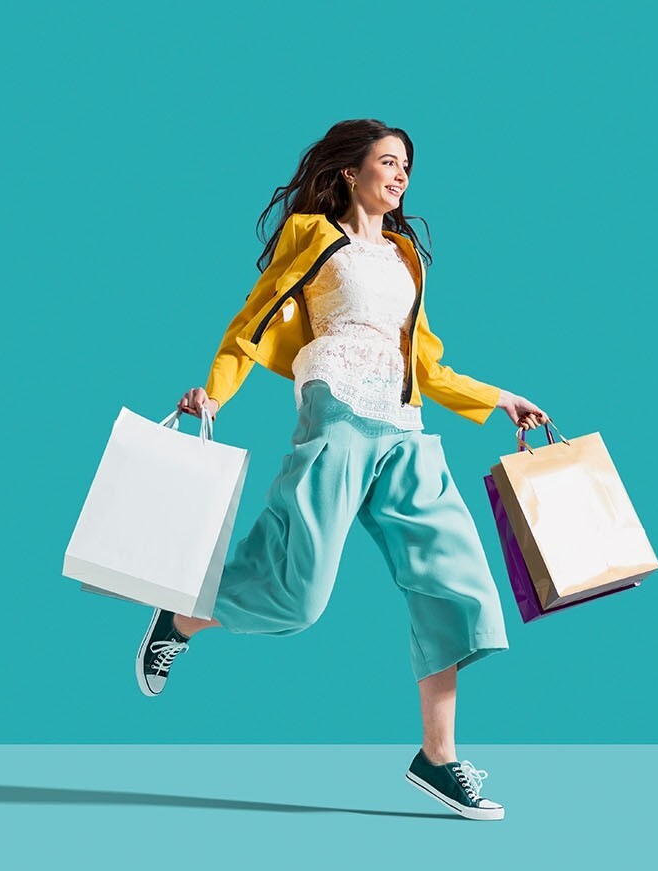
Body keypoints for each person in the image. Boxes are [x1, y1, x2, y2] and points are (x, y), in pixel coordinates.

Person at [133, 119, 548, 821]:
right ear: (350, 172)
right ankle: (180, 616)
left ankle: (438, 759)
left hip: (405, 428)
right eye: (387, 162)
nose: (400, 175)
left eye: (407, 167)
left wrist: (501, 398)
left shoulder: (407, 258)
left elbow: (428, 363)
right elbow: (249, 325)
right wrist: (215, 390)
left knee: (461, 586)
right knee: (297, 600)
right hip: (338, 416)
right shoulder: (313, 239)